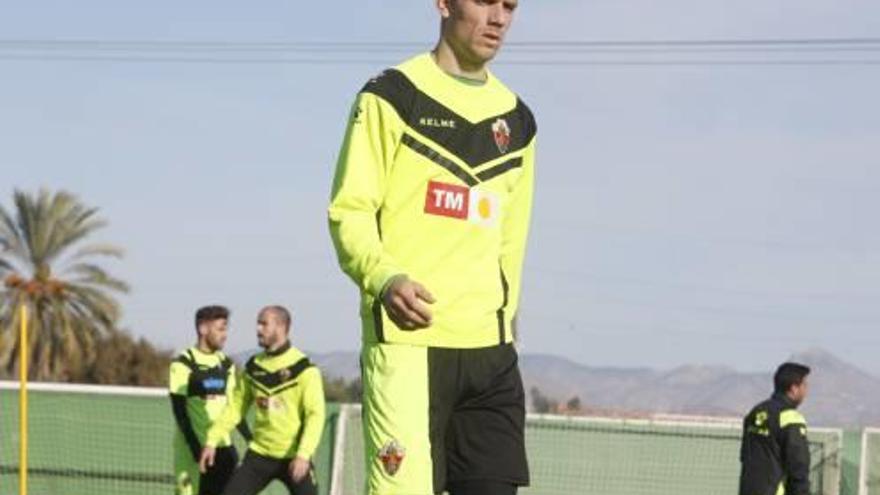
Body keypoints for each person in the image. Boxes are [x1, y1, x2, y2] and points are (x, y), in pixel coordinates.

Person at [327, 0, 535, 493]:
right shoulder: (390, 96)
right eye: (485, 1)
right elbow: (350, 211)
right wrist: (384, 278)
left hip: (491, 356)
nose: (499, 18)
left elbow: (512, 240)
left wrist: (508, 329)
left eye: (510, 5)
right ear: (443, 3)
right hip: (408, 347)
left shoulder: (519, 122)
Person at [199, 306, 325, 495]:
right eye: (258, 323)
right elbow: (235, 408)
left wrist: (303, 455)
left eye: (264, 324)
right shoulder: (253, 367)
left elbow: (315, 415)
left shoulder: (305, 369)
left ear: (281, 327)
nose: (258, 329)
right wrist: (211, 440)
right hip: (259, 455)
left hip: (294, 457)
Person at [169, 305, 251, 495]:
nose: (225, 334)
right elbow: (179, 412)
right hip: (191, 452)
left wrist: (251, 440)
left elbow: (234, 409)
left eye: (226, 329)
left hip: (223, 450)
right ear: (203, 329)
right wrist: (196, 449)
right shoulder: (183, 363)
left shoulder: (226, 365)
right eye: (221, 329)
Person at [739, 362, 812, 495]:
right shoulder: (790, 418)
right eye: (804, 385)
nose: (806, 391)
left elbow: (744, 456)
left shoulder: (756, 412)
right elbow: (798, 467)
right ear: (794, 388)